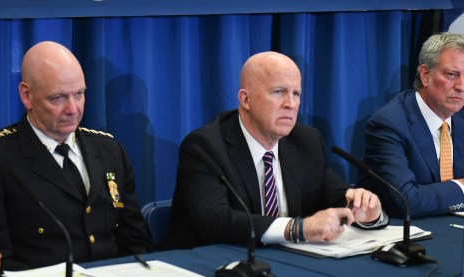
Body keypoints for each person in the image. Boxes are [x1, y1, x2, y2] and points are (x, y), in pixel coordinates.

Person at [0, 41, 151, 270]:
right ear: (26, 95)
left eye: (79, 94)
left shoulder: (109, 151)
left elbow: (136, 243)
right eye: (57, 98)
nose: (73, 109)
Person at [164, 51, 388, 249]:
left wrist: (367, 211)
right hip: (213, 263)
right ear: (246, 99)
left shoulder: (305, 142)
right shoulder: (205, 147)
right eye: (279, 92)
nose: (290, 104)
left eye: (296, 94)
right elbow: (216, 221)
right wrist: (298, 228)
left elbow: (339, 197)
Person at [360, 33, 464, 218]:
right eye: (452, 74)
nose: (462, 86)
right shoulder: (389, 124)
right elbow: (405, 200)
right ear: (425, 75)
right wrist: (461, 186)